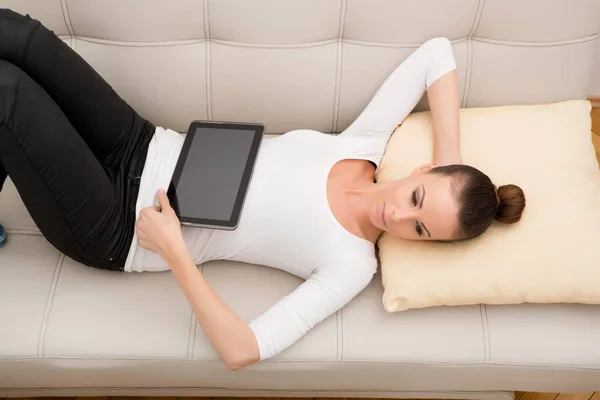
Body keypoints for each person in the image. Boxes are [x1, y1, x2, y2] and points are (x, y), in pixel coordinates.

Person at [0, 9, 525, 369]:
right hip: (141, 142)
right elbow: (437, 53)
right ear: (423, 170)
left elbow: (243, 350)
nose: (398, 216)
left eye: (421, 230)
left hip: (118, 226)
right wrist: (455, 157)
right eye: (416, 199)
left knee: (8, 94)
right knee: (23, 39)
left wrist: (176, 252)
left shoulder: (351, 266)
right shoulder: (366, 142)